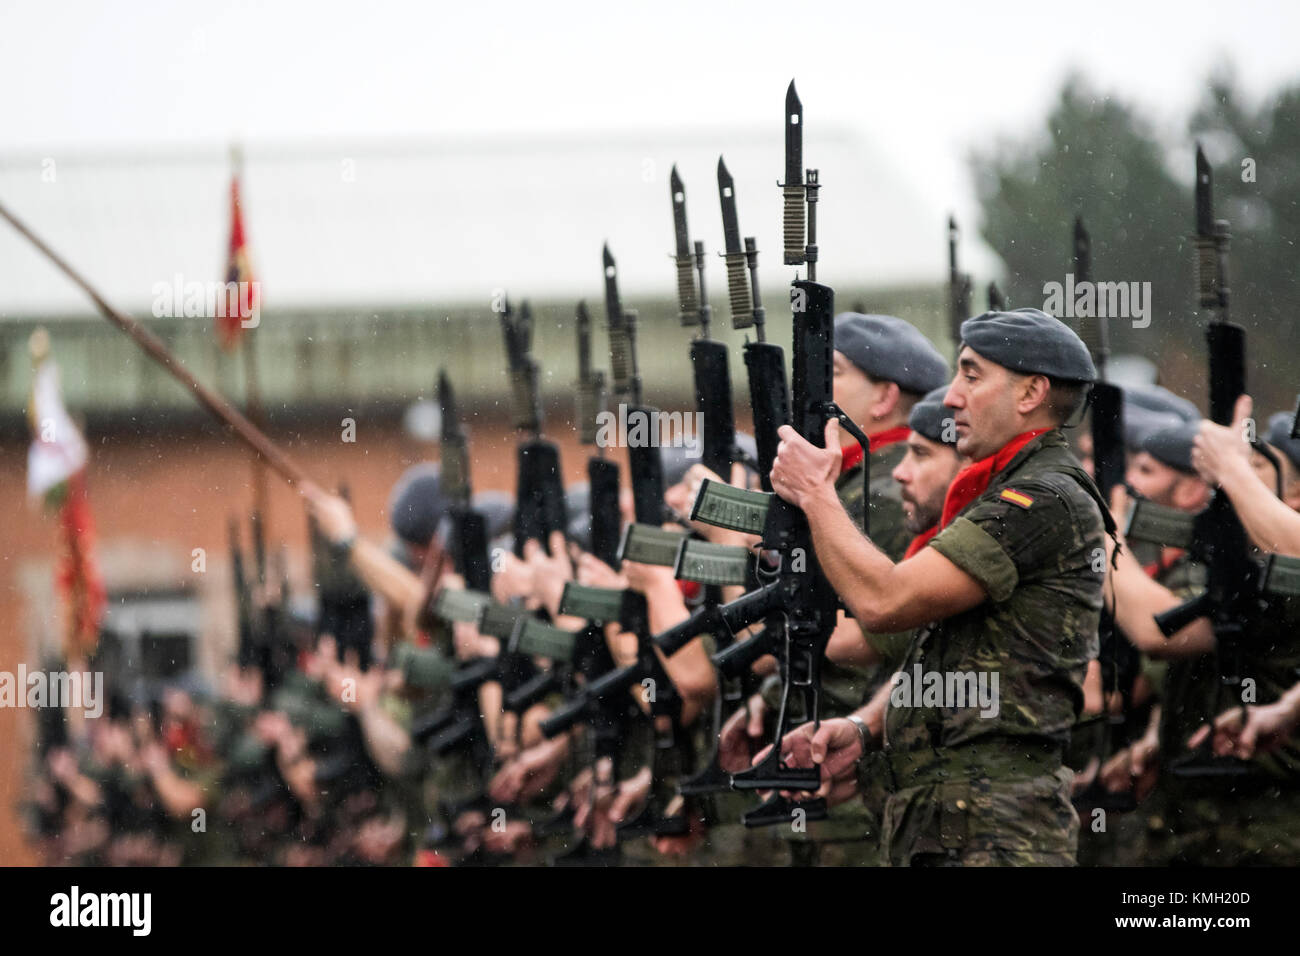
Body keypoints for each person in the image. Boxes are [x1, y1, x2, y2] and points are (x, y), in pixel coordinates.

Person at [767, 307, 1109, 866]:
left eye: (972, 375)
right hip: (947, 818)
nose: (950, 397)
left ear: (1031, 394)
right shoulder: (1002, 492)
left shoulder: (1039, 499)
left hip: (995, 829)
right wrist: (865, 727)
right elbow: (949, 652)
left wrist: (816, 494)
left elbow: (884, 602)